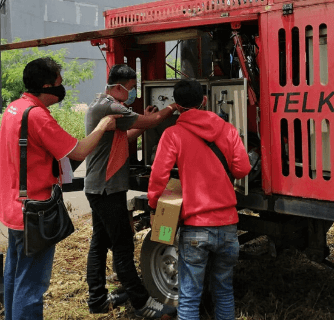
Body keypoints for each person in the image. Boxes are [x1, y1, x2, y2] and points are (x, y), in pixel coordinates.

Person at [0, 57, 120, 320]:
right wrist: (103, 125)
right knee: (31, 286)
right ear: (46, 86)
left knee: (14, 275)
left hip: (12, 208)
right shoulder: (37, 115)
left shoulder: (14, 108)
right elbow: (79, 151)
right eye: (59, 84)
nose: (62, 89)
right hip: (34, 213)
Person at [148, 78, 252, 320]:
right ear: (204, 100)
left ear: (177, 105)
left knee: (190, 296)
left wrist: (155, 205)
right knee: (224, 291)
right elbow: (242, 169)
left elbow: (159, 175)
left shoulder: (173, 134)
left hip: (196, 228)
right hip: (227, 225)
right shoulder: (227, 129)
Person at [84, 63, 178, 318]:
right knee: (123, 245)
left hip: (99, 187)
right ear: (118, 87)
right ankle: (142, 303)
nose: (132, 94)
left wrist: (145, 122)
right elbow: (155, 119)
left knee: (100, 242)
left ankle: (98, 299)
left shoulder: (101, 103)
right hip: (106, 189)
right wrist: (173, 107)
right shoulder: (111, 106)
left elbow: (123, 137)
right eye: (131, 89)